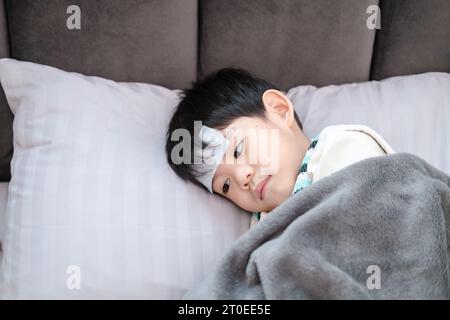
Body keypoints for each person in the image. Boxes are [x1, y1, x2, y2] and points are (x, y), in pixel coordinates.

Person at [165, 68, 394, 228]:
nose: (241, 177)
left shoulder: (342, 146)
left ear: (279, 110)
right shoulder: (262, 228)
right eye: (225, 185)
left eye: (238, 150)